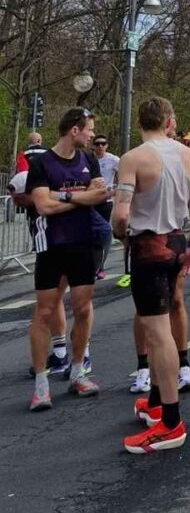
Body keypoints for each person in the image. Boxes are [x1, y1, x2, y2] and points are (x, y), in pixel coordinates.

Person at [113, 96, 190, 453]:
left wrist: (119, 233)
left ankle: (171, 422)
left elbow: (122, 215)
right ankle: (156, 401)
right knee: (163, 322)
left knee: (157, 333)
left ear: (140, 122)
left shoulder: (133, 158)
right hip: (176, 241)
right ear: (169, 121)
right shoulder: (186, 154)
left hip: (148, 246)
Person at [26, 108, 107, 410]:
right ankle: (41, 384)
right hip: (52, 245)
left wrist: (63, 196)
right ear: (74, 129)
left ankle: (77, 372)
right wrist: (79, 197)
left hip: (83, 242)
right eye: (88, 129)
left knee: (83, 308)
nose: (91, 135)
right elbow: (43, 206)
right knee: (44, 313)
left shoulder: (89, 160)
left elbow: (100, 195)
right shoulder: (42, 162)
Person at [8, 170, 72, 379]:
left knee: (47, 307)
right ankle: (61, 354)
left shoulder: (45, 205)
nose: (15, 203)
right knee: (53, 302)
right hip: (58, 251)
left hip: (67, 250)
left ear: (30, 192)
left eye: (18, 198)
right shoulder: (35, 207)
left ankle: (75, 360)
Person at [92, 134, 118, 279]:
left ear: (107, 145)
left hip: (105, 201)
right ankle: (93, 265)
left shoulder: (113, 159)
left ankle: (100, 267)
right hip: (91, 200)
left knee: (101, 234)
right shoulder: (90, 159)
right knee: (90, 234)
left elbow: (126, 173)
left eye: (103, 144)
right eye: (97, 144)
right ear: (93, 146)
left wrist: (116, 190)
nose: (100, 146)